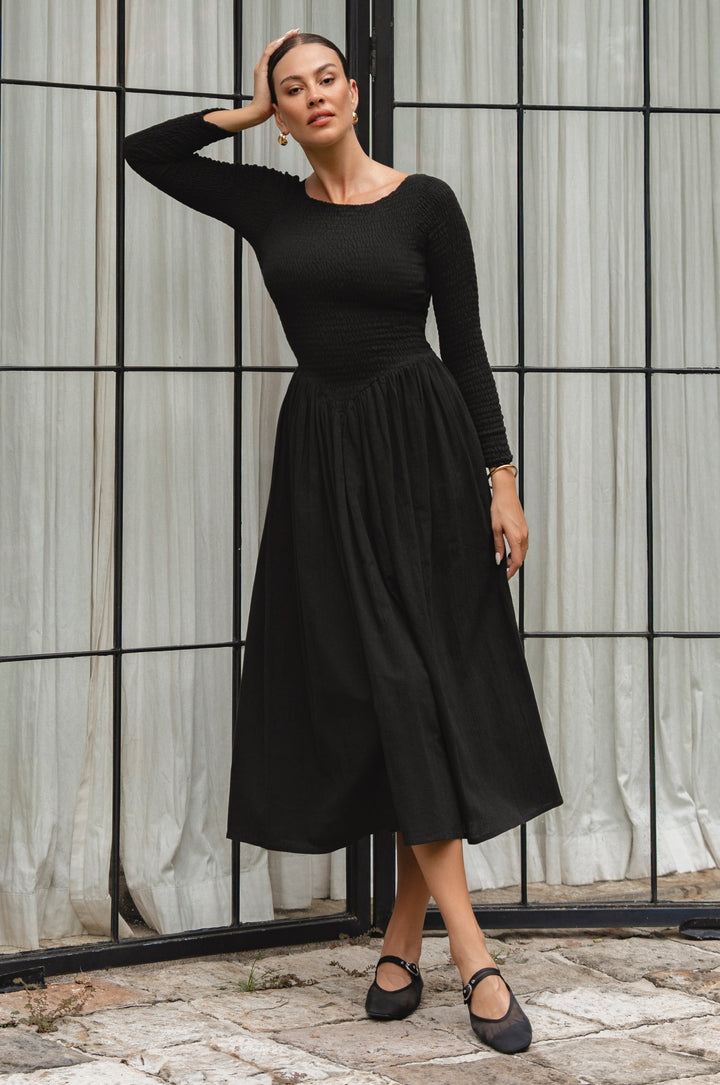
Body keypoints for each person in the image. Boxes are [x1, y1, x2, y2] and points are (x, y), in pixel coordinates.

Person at [125, 29, 562, 1055]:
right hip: (325, 460)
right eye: (291, 88)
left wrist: (503, 483)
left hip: (424, 453)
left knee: (424, 687)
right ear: (277, 111)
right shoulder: (266, 202)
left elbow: (467, 347)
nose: (313, 95)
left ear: (354, 92)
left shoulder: (426, 203)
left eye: (326, 78)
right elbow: (148, 152)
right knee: (384, 688)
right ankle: (455, 945)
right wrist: (231, 119)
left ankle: (431, 942)